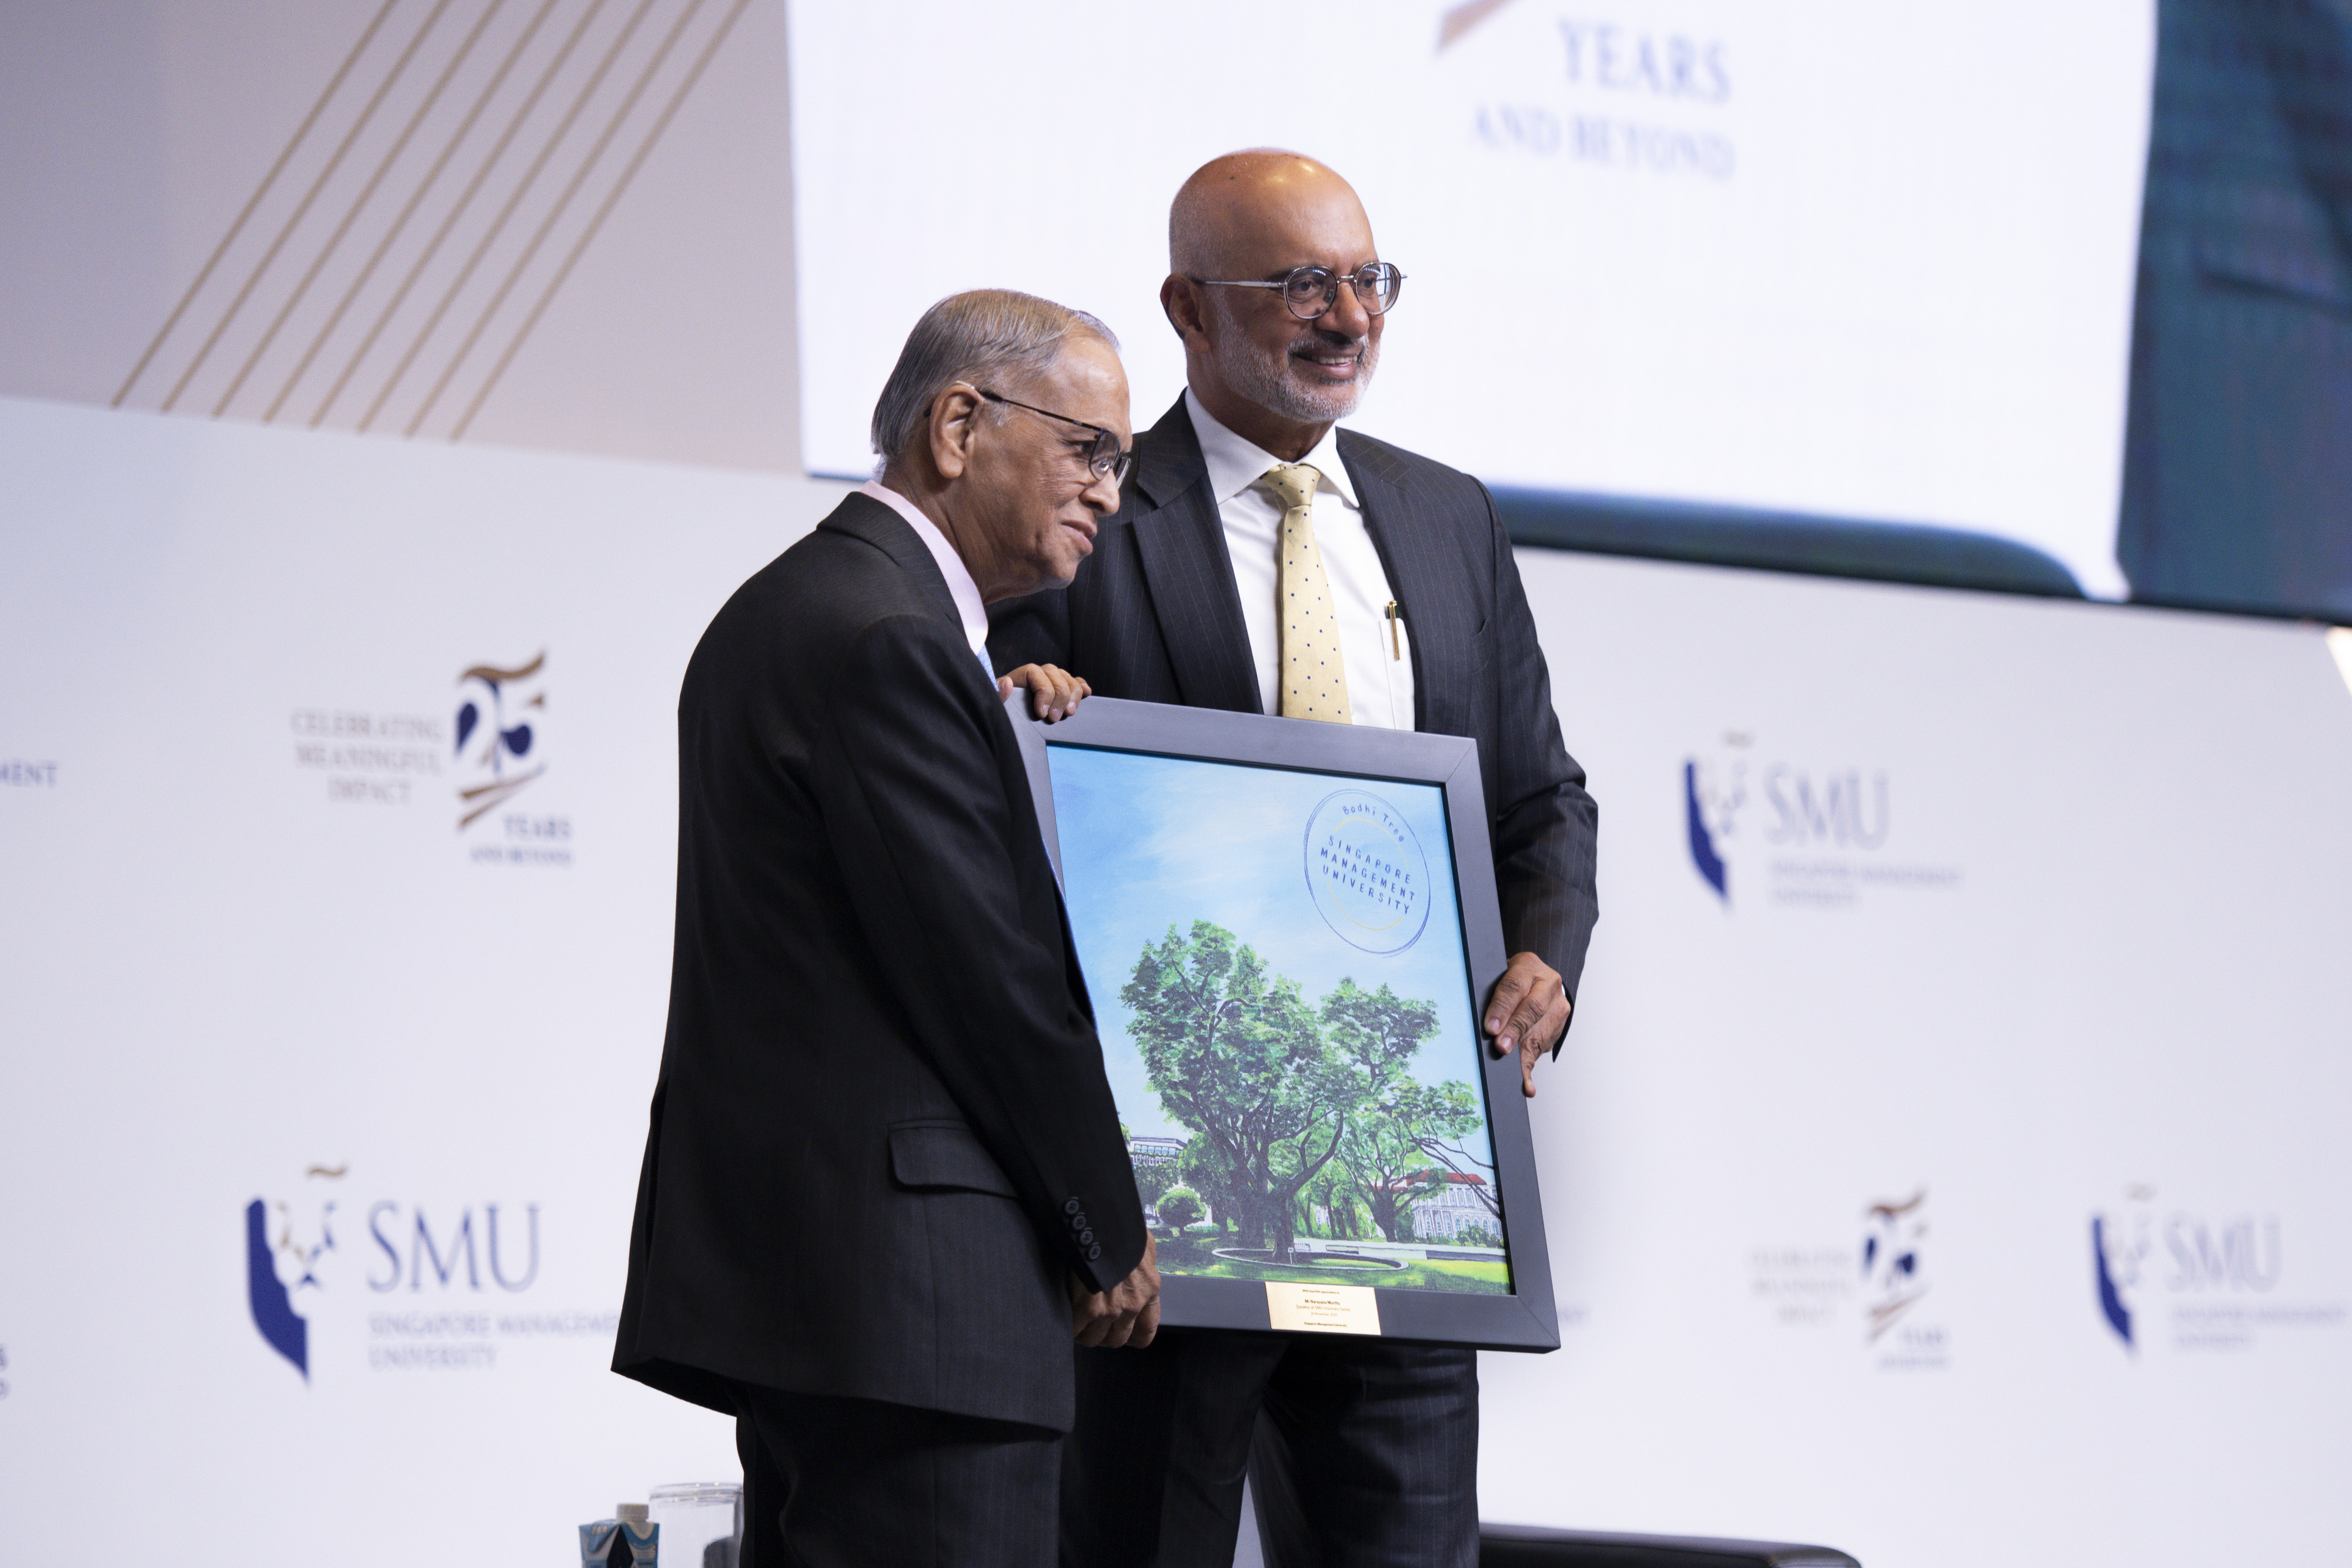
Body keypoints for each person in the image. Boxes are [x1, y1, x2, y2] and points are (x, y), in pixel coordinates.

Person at [988, 152, 1601, 1568]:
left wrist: (1543, 954)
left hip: (1394, 1185)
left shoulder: (1448, 516)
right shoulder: (1083, 507)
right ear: (1187, 308)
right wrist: (1013, 709)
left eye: (1369, 279)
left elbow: (1542, 803)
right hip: (1160, 1221)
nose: (1350, 316)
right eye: (1302, 284)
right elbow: (1000, 793)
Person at [612, 289, 1158, 1568]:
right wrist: (1110, 1225)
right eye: (1089, 449)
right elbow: (990, 986)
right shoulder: (892, 640)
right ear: (958, 425)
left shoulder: (807, 608)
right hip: (927, 1328)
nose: (1109, 491)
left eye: (1122, 463)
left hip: (827, 1315)